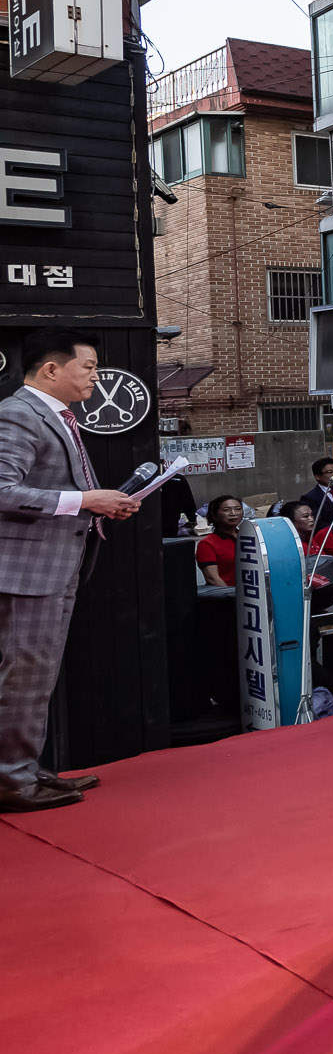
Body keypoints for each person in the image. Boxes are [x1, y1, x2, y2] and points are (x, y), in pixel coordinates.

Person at [0, 330, 142, 813]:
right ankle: (12, 781)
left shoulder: (52, 415)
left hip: (51, 568)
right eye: (90, 368)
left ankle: (24, 769)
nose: (97, 378)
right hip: (25, 574)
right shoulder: (19, 414)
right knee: (24, 678)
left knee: (33, 679)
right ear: (51, 370)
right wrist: (85, 500)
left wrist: (99, 506)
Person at [195, 494, 247, 587]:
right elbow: (212, 578)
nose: (233, 513)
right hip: (226, 596)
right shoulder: (207, 544)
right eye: (226, 510)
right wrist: (231, 596)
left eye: (238, 509)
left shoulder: (248, 537)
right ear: (214, 515)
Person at [298, 456, 333, 538]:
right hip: (329, 539)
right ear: (317, 476)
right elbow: (317, 523)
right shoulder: (310, 497)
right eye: (329, 472)